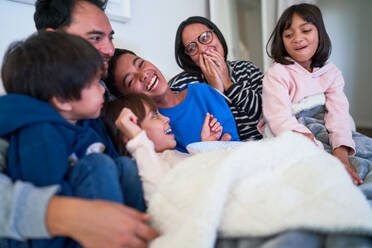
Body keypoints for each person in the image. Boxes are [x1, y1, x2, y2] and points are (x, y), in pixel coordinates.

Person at [0, 0, 158, 247]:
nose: (109, 49)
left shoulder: (99, 96)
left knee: (124, 166)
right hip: (49, 230)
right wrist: (63, 213)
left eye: (110, 37)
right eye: (95, 38)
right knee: (98, 165)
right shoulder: (20, 117)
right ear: (54, 40)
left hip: (117, 213)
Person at [259, 3, 372, 186]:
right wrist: (315, 147)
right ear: (282, 41)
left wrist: (340, 154)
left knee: (363, 151)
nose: (297, 38)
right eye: (289, 35)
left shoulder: (331, 72)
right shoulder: (277, 73)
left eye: (305, 30)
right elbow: (279, 117)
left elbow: (338, 114)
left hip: (326, 125)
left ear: (320, 33)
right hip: (294, 128)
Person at [105, 48, 240, 153]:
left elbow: (232, 142)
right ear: (127, 97)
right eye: (131, 80)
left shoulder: (202, 92)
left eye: (140, 64)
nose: (143, 74)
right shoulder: (153, 128)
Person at [102, 93, 228, 204]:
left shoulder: (172, 155)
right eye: (155, 116)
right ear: (131, 132)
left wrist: (206, 146)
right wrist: (137, 138)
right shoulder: (147, 169)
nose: (167, 118)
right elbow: (163, 200)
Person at [169, 16, 264, 141]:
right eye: (192, 48)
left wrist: (227, 83)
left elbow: (268, 113)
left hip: (261, 148)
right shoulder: (181, 85)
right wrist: (214, 90)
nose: (202, 49)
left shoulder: (246, 69)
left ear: (217, 35)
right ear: (188, 56)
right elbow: (189, 135)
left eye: (205, 38)